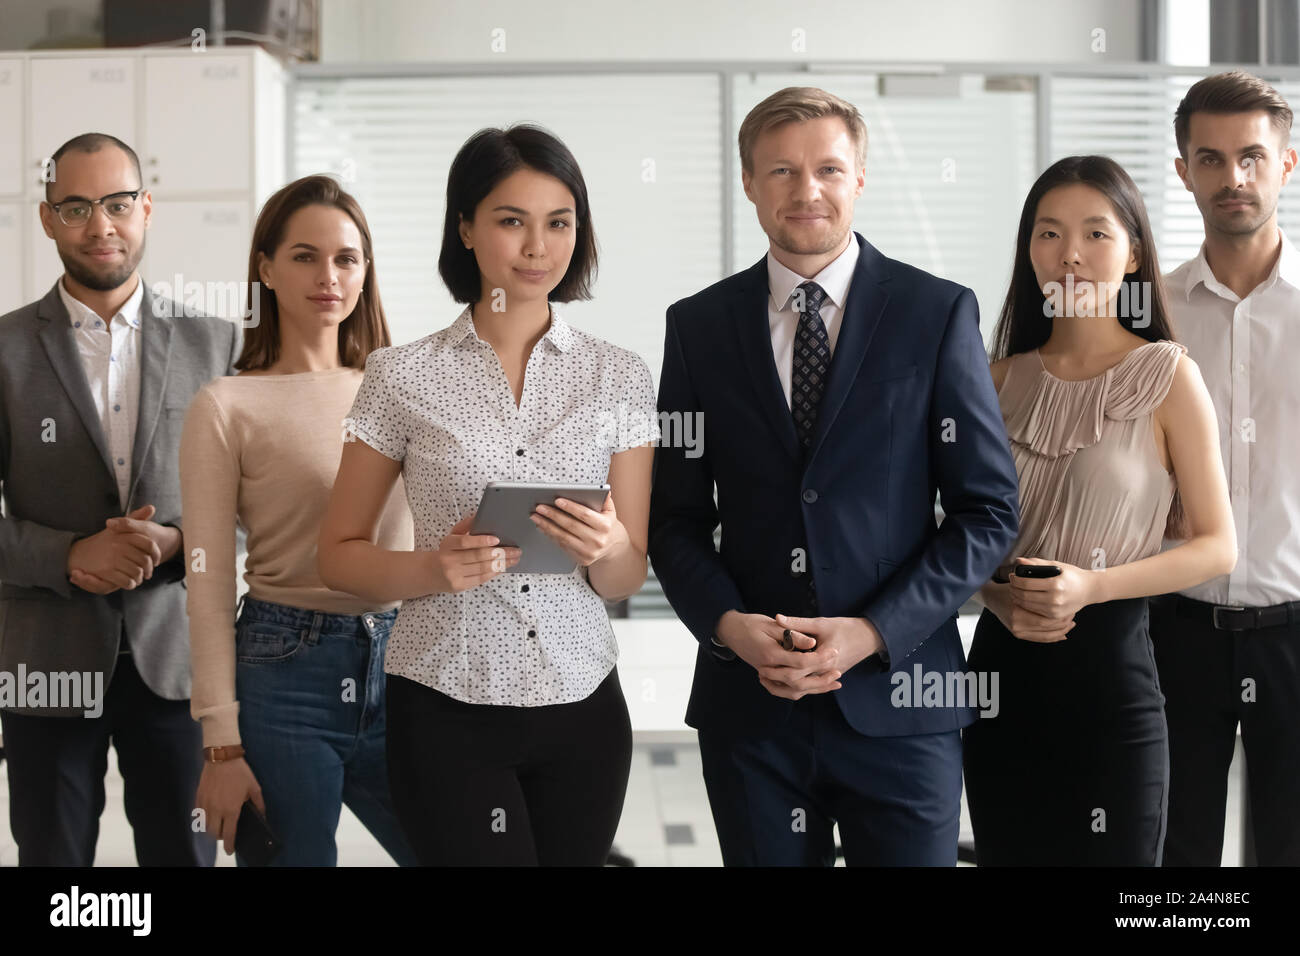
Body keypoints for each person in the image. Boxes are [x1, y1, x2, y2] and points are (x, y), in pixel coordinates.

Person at [648, 86, 1021, 866]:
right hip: (752, 710)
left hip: (906, 703)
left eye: (827, 168)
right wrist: (730, 629)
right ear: (748, 182)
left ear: (860, 177)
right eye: (781, 170)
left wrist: (874, 633)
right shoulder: (698, 326)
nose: (805, 190)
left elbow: (987, 512)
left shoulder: (937, 312)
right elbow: (675, 518)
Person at [318, 125, 657, 866]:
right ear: (466, 227)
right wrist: (431, 570)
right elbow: (338, 556)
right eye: (512, 220)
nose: (538, 246)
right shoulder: (399, 376)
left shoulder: (620, 375)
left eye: (559, 222)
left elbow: (626, 576)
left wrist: (611, 547)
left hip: (582, 704)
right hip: (445, 706)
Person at [965, 154, 1237, 866]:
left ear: (1134, 250)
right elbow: (949, 535)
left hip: (1111, 676)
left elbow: (1216, 546)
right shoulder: (991, 382)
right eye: (1049, 234)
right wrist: (992, 595)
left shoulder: (1169, 375)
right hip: (998, 677)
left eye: (1096, 233)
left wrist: (1091, 586)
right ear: (1029, 251)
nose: (1072, 255)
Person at [0, 133, 236, 866]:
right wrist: (69, 555)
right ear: (47, 219)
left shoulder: (217, 343)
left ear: (146, 209)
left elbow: (254, 509)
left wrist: (175, 542)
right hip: (45, 658)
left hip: (177, 657)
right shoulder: (4, 349)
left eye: (117, 203)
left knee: (185, 858)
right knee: (55, 868)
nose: (99, 224)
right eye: (75, 207)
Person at [182, 175, 417, 866]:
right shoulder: (226, 406)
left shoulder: (402, 384)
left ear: (365, 269)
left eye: (346, 258)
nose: (329, 276)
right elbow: (207, 583)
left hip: (406, 664)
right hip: (285, 673)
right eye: (305, 256)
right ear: (265, 267)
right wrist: (221, 743)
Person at [1150, 71, 1300, 867]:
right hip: (1176, 632)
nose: (1232, 177)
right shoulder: (1150, 317)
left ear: (1288, 163)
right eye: (1210, 159)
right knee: (1178, 858)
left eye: (1252, 156)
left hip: (1296, 629)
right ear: (1183, 171)